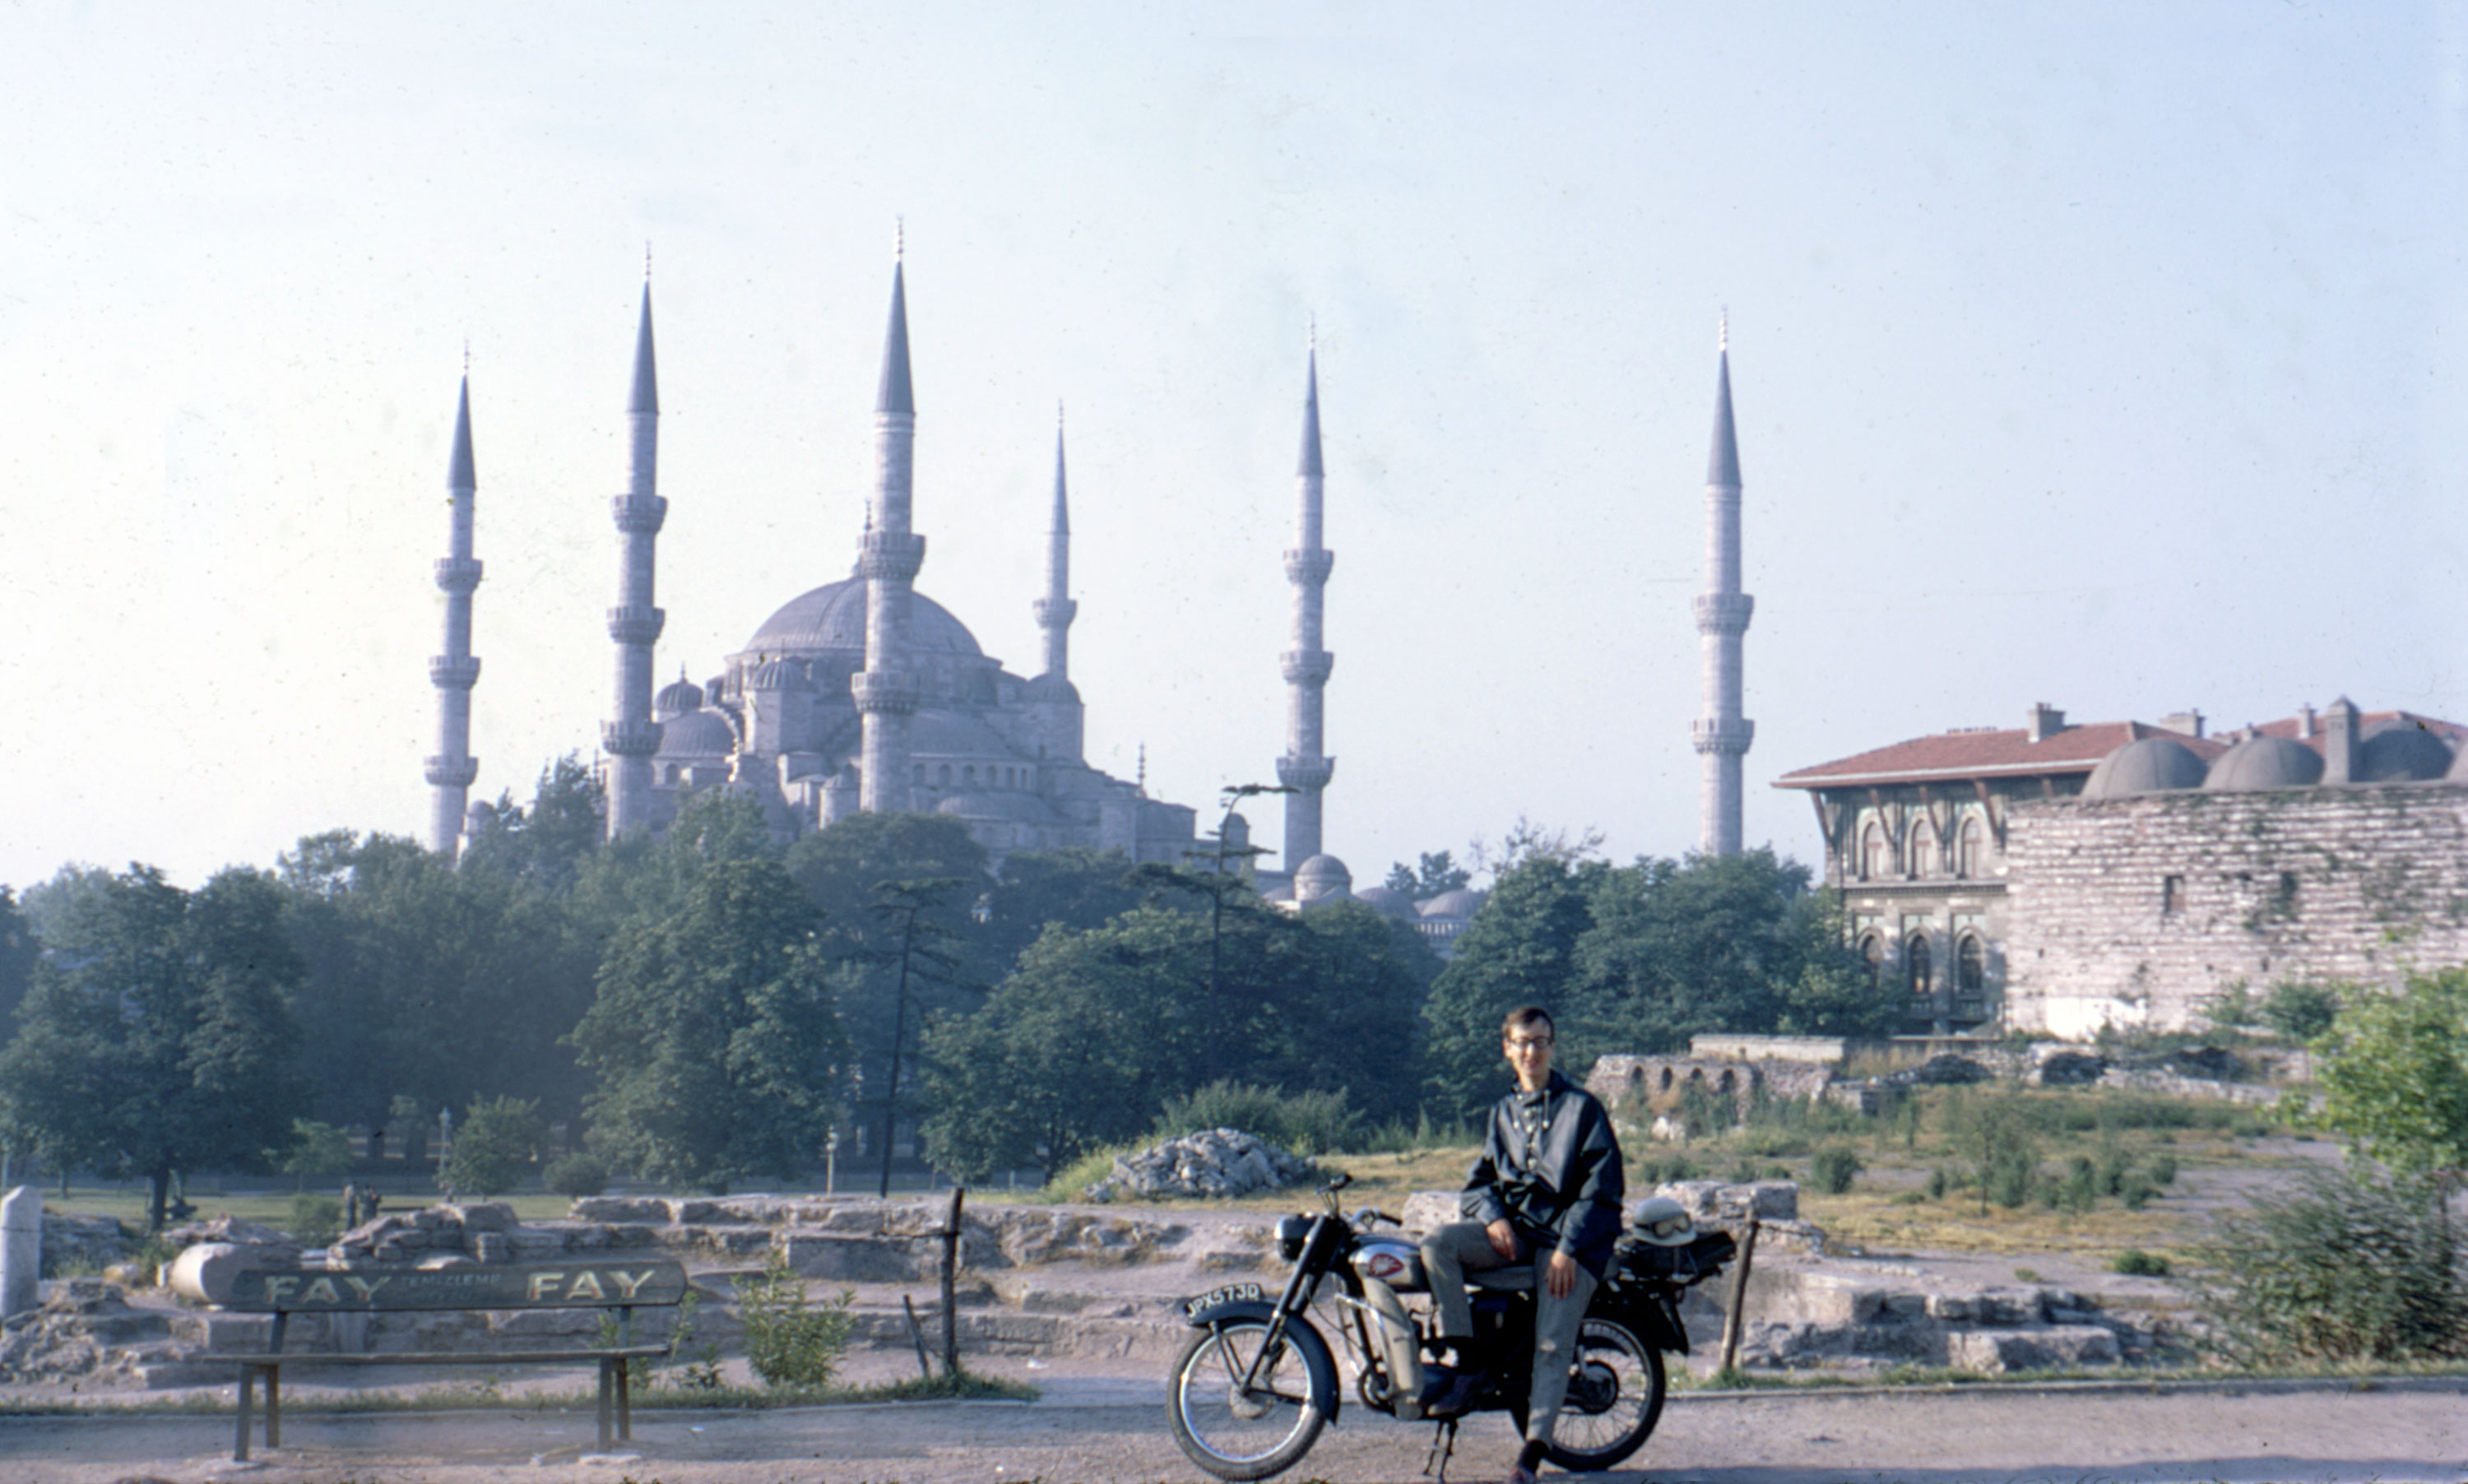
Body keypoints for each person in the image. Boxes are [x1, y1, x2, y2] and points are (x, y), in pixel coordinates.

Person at [1418, 1004, 1626, 1484]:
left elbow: (1603, 1189)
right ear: (1507, 1049)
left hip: (1572, 1242)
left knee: (1552, 1344)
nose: (1532, 1051)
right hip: (1519, 1234)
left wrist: (1567, 1249)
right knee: (1436, 1245)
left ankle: (1530, 1457)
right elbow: (1478, 1183)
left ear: (1553, 1047)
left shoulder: (1582, 1108)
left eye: (1541, 1041)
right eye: (1523, 1042)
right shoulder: (1503, 1113)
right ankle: (1468, 1365)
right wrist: (1492, 1217)